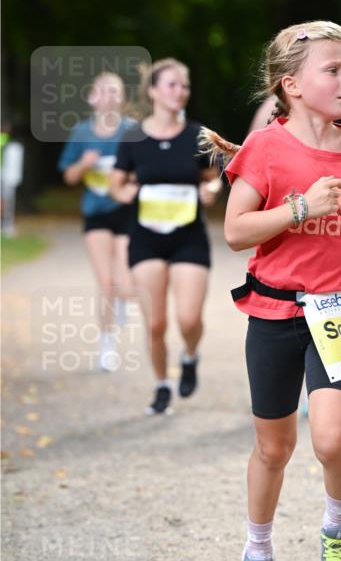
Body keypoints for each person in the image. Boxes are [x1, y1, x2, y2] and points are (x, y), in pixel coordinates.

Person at [201, 20, 341, 561]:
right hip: (275, 312)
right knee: (274, 448)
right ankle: (258, 557)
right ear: (292, 85)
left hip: (339, 310)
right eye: (332, 69)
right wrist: (301, 207)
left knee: (331, 440)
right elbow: (236, 231)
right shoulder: (265, 148)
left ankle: (338, 526)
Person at [110, 58, 222, 415]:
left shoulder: (196, 135)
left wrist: (211, 190)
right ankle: (161, 385)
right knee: (155, 323)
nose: (180, 91)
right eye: (172, 84)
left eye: (184, 85)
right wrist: (127, 193)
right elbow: (116, 184)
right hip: (147, 238)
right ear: (153, 91)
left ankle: (190, 355)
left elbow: (214, 178)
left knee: (189, 319)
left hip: (189, 237)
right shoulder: (134, 137)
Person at [58, 73, 136, 370]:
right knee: (106, 282)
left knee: (125, 284)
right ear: (92, 98)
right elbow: (68, 177)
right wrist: (83, 164)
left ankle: (122, 300)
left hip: (126, 211)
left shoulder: (132, 131)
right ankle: (107, 344)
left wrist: (130, 180)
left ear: (122, 97)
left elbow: (145, 169)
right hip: (96, 213)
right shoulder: (81, 132)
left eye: (114, 91)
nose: (109, 96)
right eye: (103, 91)